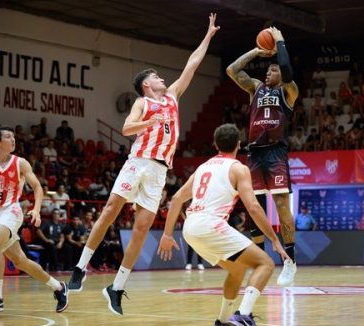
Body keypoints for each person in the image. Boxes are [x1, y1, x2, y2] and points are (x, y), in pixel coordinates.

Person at [67, 13, 220, 315]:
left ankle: (117, 286)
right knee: (111, 209)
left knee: (141, 228)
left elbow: (192, 64)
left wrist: (208, 36)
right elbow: (126, 129)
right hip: (138, 162)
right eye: (156, 77)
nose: (162, 78)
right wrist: (151, 121)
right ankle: (80, 268)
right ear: (147, 85)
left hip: (159, 170)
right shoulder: (142, 103)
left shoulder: (173, 96)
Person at [158, 124, 289, 326]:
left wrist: (167, 235)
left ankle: (222, 321)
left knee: (237, 270)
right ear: (239, 144)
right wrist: (274, 239)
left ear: (215, 144)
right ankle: (243, 316)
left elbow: (176, 199)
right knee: (266, 263)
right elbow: (253, 206)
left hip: (190, 228)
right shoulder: (238, 168)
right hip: (211, 225)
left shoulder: (202, 168)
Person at [226, 26, 299, 286]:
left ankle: (290, 262)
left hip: (276, 152)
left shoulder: (288, 91)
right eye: (267, 69)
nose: (269, 72)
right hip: (255, 153)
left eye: (273, 69)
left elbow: (287, 71)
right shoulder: (256, 88)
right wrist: (257, 51)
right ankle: (260, 263)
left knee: (281, 207)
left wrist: (279, 42)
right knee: (253, 209)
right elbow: (232, 70)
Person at [0, 126, 68, 313]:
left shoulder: (21, 163)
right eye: (8, 137)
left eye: (13, 137)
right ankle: (58, 288)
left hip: (11, 210)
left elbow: (37, 187)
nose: (13, 140)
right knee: (21, 261)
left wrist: (36, 210)